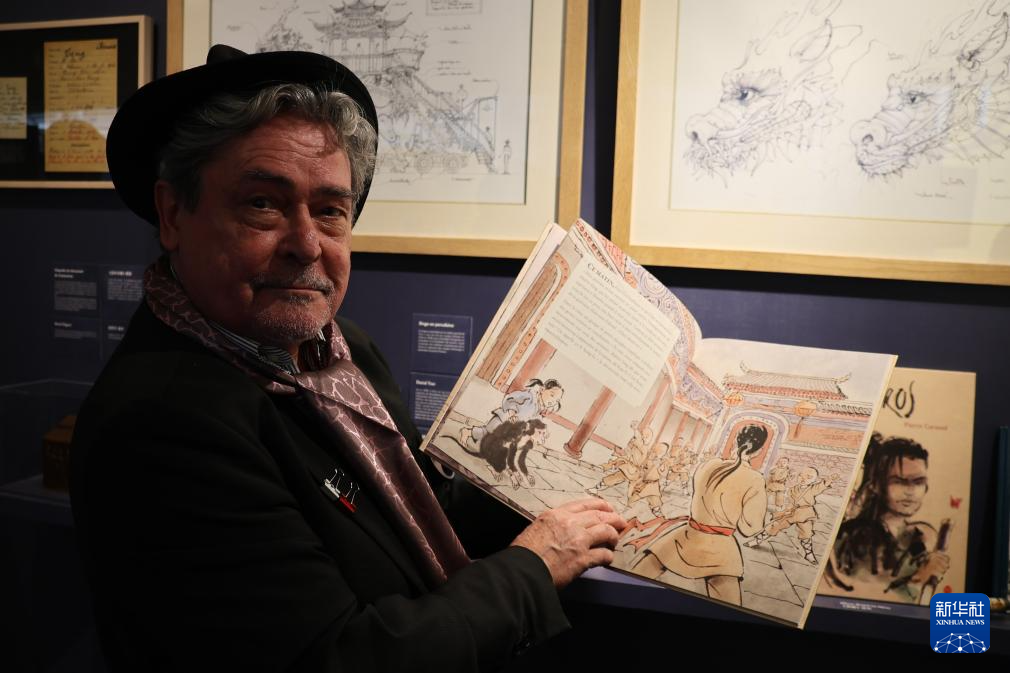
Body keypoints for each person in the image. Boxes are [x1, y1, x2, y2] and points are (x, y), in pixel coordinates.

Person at [69, 45, 625, 673]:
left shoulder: (339, 353)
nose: (307, 243)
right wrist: (534, 568)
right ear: (173, 215)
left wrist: (554, 483)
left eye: (331, 210)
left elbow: (418, 515)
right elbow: (338, 658)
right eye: (262, 203)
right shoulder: (165, 424)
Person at [631, 424, 769, 605]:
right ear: (759, 451)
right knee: (729, 606)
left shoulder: (708, 465)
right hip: (720, 548)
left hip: (686, 536)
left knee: (635, 577)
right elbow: (750, 528)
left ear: (736, 441)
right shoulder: (755, 479)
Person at [823, 433, 950, 604]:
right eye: (898, 481)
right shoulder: (848, 538)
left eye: (918, 482)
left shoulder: (923, 537)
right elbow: (858, 598)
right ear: (875, 485)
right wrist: (919, 579)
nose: (910, 491)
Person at [745, 466, 836, 564]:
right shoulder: (793, 489)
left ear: (814, 480)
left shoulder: (813, 488)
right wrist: (785, 510)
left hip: (805, 513)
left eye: (809, 477)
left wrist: (828, 481)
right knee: (775, 525)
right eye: (801, 476)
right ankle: (757, 540)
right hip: (791, 511)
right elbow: (789, 500)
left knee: (806, 533)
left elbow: (821, 486)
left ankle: (809, 554)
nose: (803, 479)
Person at [460, 378, 564, 447]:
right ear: (542, 389)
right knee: (487, 433)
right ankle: (467, 432)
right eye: (552, 395)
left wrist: (540, 432)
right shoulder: (529, 396)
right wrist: (512, 411)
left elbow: (534, 421)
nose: (553, 401)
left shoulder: (538, 408)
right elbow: (511, 398)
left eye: (556, 400)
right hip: (503, 418)